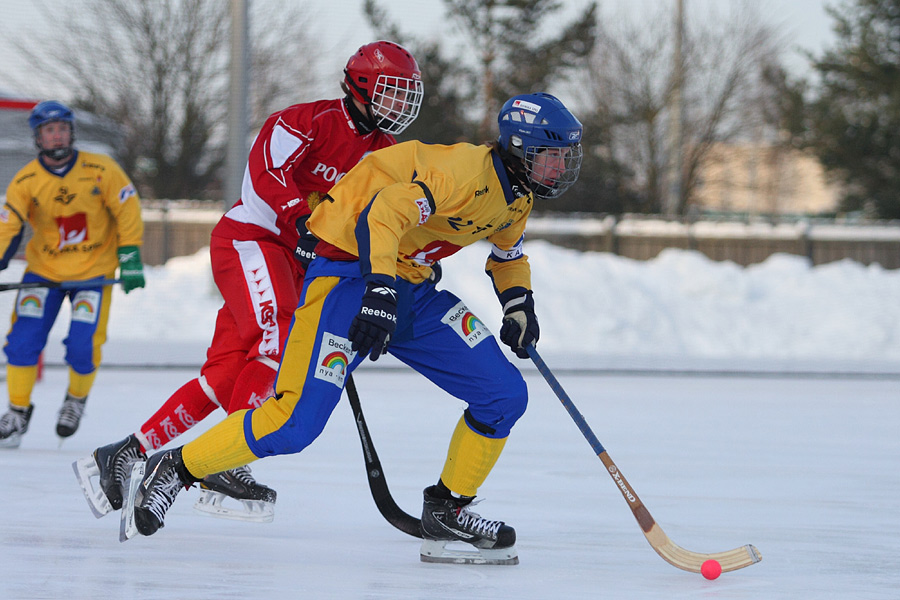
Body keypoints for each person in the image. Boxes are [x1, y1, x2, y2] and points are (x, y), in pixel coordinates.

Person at [121, 92, 583, 564]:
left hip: (413, 292)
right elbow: (382, 214)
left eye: (565, 157)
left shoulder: (518, 196)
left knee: (504, 394)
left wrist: (518, 303)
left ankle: (447, 508)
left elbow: (508, 254)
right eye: (552, 155)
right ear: (519, 147)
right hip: (346, 278)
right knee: (294, 424)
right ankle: (175, 468)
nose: (560, 167)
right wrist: (378, 292)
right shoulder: (462, 174)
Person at [73, 41, 424, 521]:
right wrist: (301, 219)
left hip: (298, 268)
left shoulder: (388, 154)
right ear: (360, 86)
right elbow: (264, 175)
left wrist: (413, 257)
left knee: (226, 376)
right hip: (253, 242)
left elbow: (382, 220)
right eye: (393, 91)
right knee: (278, 336)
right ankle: (228, 462)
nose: (401, 105)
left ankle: (126, 453)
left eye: (408, 94)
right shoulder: (305, 121)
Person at [0, 101, 145, 449]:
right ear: (38, 137)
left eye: (62, 128)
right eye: (49, 130)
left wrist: (130, 256)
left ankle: (75, 401)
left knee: (83, 346)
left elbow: (127, 209)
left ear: (71, 132)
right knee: (22, 341)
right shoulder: (26, 180)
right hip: (43, 274)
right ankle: (17, 412)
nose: (57, 135)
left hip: (93, 274)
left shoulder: (102, 168)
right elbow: (10, 225)